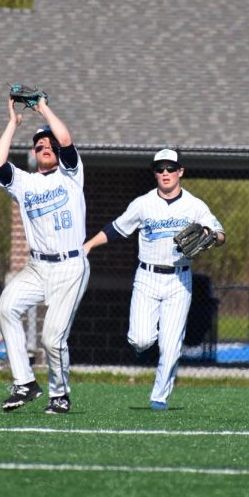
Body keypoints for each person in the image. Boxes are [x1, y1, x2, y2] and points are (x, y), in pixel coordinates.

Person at [83, 149, 225, 411]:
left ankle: (159, 397)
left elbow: (220, 234)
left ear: (180, 171)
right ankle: (143, 344)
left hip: (179, 281)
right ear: (155, 173)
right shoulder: (143, 203)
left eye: (171, 168)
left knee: (171, 346)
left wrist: (209, 235)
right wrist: (89, 245)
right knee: (140, 339)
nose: (165, 173)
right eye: (160, 169)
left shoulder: (194, 205)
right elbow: (117, 228)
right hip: (147, 277)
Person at [0, 95, 90, 414]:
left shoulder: (71, 175)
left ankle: (59, 395)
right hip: (37, 268)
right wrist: (13, 124)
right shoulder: (26, 183)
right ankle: (25, 383)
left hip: (71, 266)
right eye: (39, 145)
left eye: (49, 144)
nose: (46, 146)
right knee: (6, 308)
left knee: (51, 338)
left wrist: (42, 108)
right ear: (33, 154)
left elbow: (65, 138)